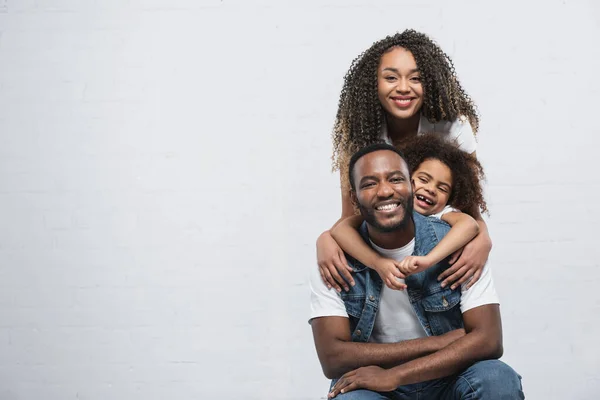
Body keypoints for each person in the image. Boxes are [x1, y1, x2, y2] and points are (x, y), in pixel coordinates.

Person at [309, 143, 524, 399]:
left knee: (497, 379)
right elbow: (333, 359)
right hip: (374, 384)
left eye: (396, 179)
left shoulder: (458, 247)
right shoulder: (334, 259)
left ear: (410, 186)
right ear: (354, 198)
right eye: (369, 184)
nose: (385, 191)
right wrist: (438, 343)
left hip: (449, 378)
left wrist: (396, 375)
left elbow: (489, 340)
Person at [317, 30, 491, 294]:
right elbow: (350, 217)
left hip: (438, 257)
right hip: (380, 255)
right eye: (390, 78)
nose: (403, 88)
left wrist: (484, 241)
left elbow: (472, 214)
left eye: (416, 78)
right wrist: (325, 240)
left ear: (431, 82)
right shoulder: (361, 133)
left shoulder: (452, 126)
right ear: (372, 83)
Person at [327, 134, 487, 292]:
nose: (431, 189)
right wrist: (377, 262)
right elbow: (341, 229)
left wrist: (429, 260)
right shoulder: (385, 209)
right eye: (424, 180)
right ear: (408, 181)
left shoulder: (442, 214)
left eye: (442, 188)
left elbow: (469, 225)